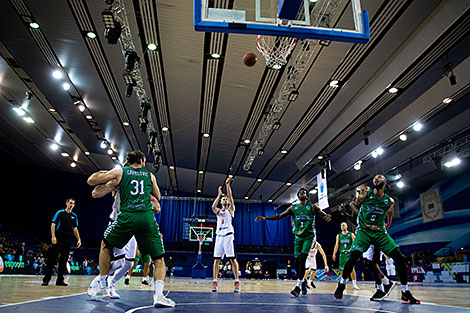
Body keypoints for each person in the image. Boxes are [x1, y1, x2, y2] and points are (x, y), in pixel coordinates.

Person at [86, 150, 174, 307]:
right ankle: (159, 295)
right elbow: (158, 197)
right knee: (158, 259)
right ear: (141, 160)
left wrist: (109, 177)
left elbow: (91, 181)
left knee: (106, 246)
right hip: (146, 218)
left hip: (127, 217)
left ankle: (103, 282)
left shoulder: (120, 172)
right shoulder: (149, 175)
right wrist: (146, 195)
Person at [334, 175, 420, 304]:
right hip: (364, 231)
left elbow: (390, 212)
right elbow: (356, 211)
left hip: (379, 232)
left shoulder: (389, 201)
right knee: (354, 258)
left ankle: (405, 292)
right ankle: (342, 284)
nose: (377, 178)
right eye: (375, 178)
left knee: (399, 259)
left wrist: (389, 222)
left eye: (380, 177)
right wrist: (353, 204)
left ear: (385, 183)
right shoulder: (365, 196)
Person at [255, 188, 332, 297]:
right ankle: (303, 282)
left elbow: (323, 214)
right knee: (297, 263)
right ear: (298, 196)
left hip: (308, 237)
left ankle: (297, 286)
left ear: (307, 196)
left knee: (302, 259)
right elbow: (279, 216)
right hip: (298, 237)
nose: (302, 194)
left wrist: (326, 217)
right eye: (300, 192)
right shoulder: (293, 208)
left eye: (304, 192)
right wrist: (265, 218)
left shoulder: (312, 206)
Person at [339, 185, 396, 301]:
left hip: (376, 233)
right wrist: (345, 213)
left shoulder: (371, 202)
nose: (360, 193)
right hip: (365, 234)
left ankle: (381, 288)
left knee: (372, 262)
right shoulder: (358, 205)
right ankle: (386, 283)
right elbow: (356, 220)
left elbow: (364, 218)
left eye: (363, 191)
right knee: (368, 263)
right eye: (358, 191)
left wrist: (351, 206)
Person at [42, 198, 81, 286]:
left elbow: (75, 228)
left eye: (73, 204)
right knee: (52, 259)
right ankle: (46, 279)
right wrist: (53, 236)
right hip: (59, 237)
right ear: (66, 203)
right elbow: (53, 224)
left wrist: (79, 239)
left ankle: (60, 280)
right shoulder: (60, 213)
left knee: (63, 260)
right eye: (70, 203)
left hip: (68, 238)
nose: (71, 205)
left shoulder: (74, 216)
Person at [211, 177, 240, 292]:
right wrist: (218, 196)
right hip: (219, 237)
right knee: (216, 260)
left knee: (232, 259)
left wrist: (227, 185)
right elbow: (213, 207)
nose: (225, 200)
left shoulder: (231, 210)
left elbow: (231, 197)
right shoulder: (219, 212)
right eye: (223, 199)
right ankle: (214, 282)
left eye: (225, 199)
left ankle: (237, 282)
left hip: (228, 236)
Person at [333, 222, 359, 290]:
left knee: (352, 269)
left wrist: (355, 253)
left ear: (347, 226)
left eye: (344, 225)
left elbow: (354, 244)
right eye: (341, 225)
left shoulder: (351, 234)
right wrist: (334, 253)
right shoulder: (339, 235)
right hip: (342, 254)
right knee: (342, 269)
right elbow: (336, 245)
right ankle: (343, 283)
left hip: (349, 254)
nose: (342, 226)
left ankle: (354, 284)